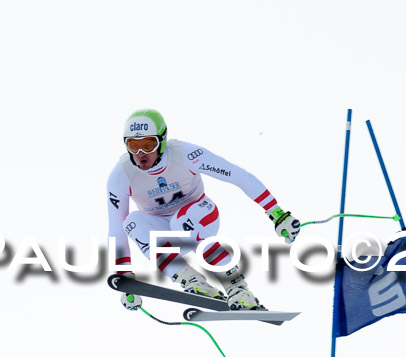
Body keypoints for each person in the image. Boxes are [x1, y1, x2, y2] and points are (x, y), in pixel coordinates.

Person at [107, 109, 300, 311]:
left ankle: (237, 287)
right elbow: (116, 230)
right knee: (131, 222)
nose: (140, 154)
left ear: (162, 141)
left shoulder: (185, 154)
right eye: (133, 145)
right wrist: (125, 278)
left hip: (201, 216)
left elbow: (238, 176)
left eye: (148, 145)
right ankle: (191, 280)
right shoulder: (121, 175)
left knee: (180, 220)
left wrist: (277, 214)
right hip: (165, 230)